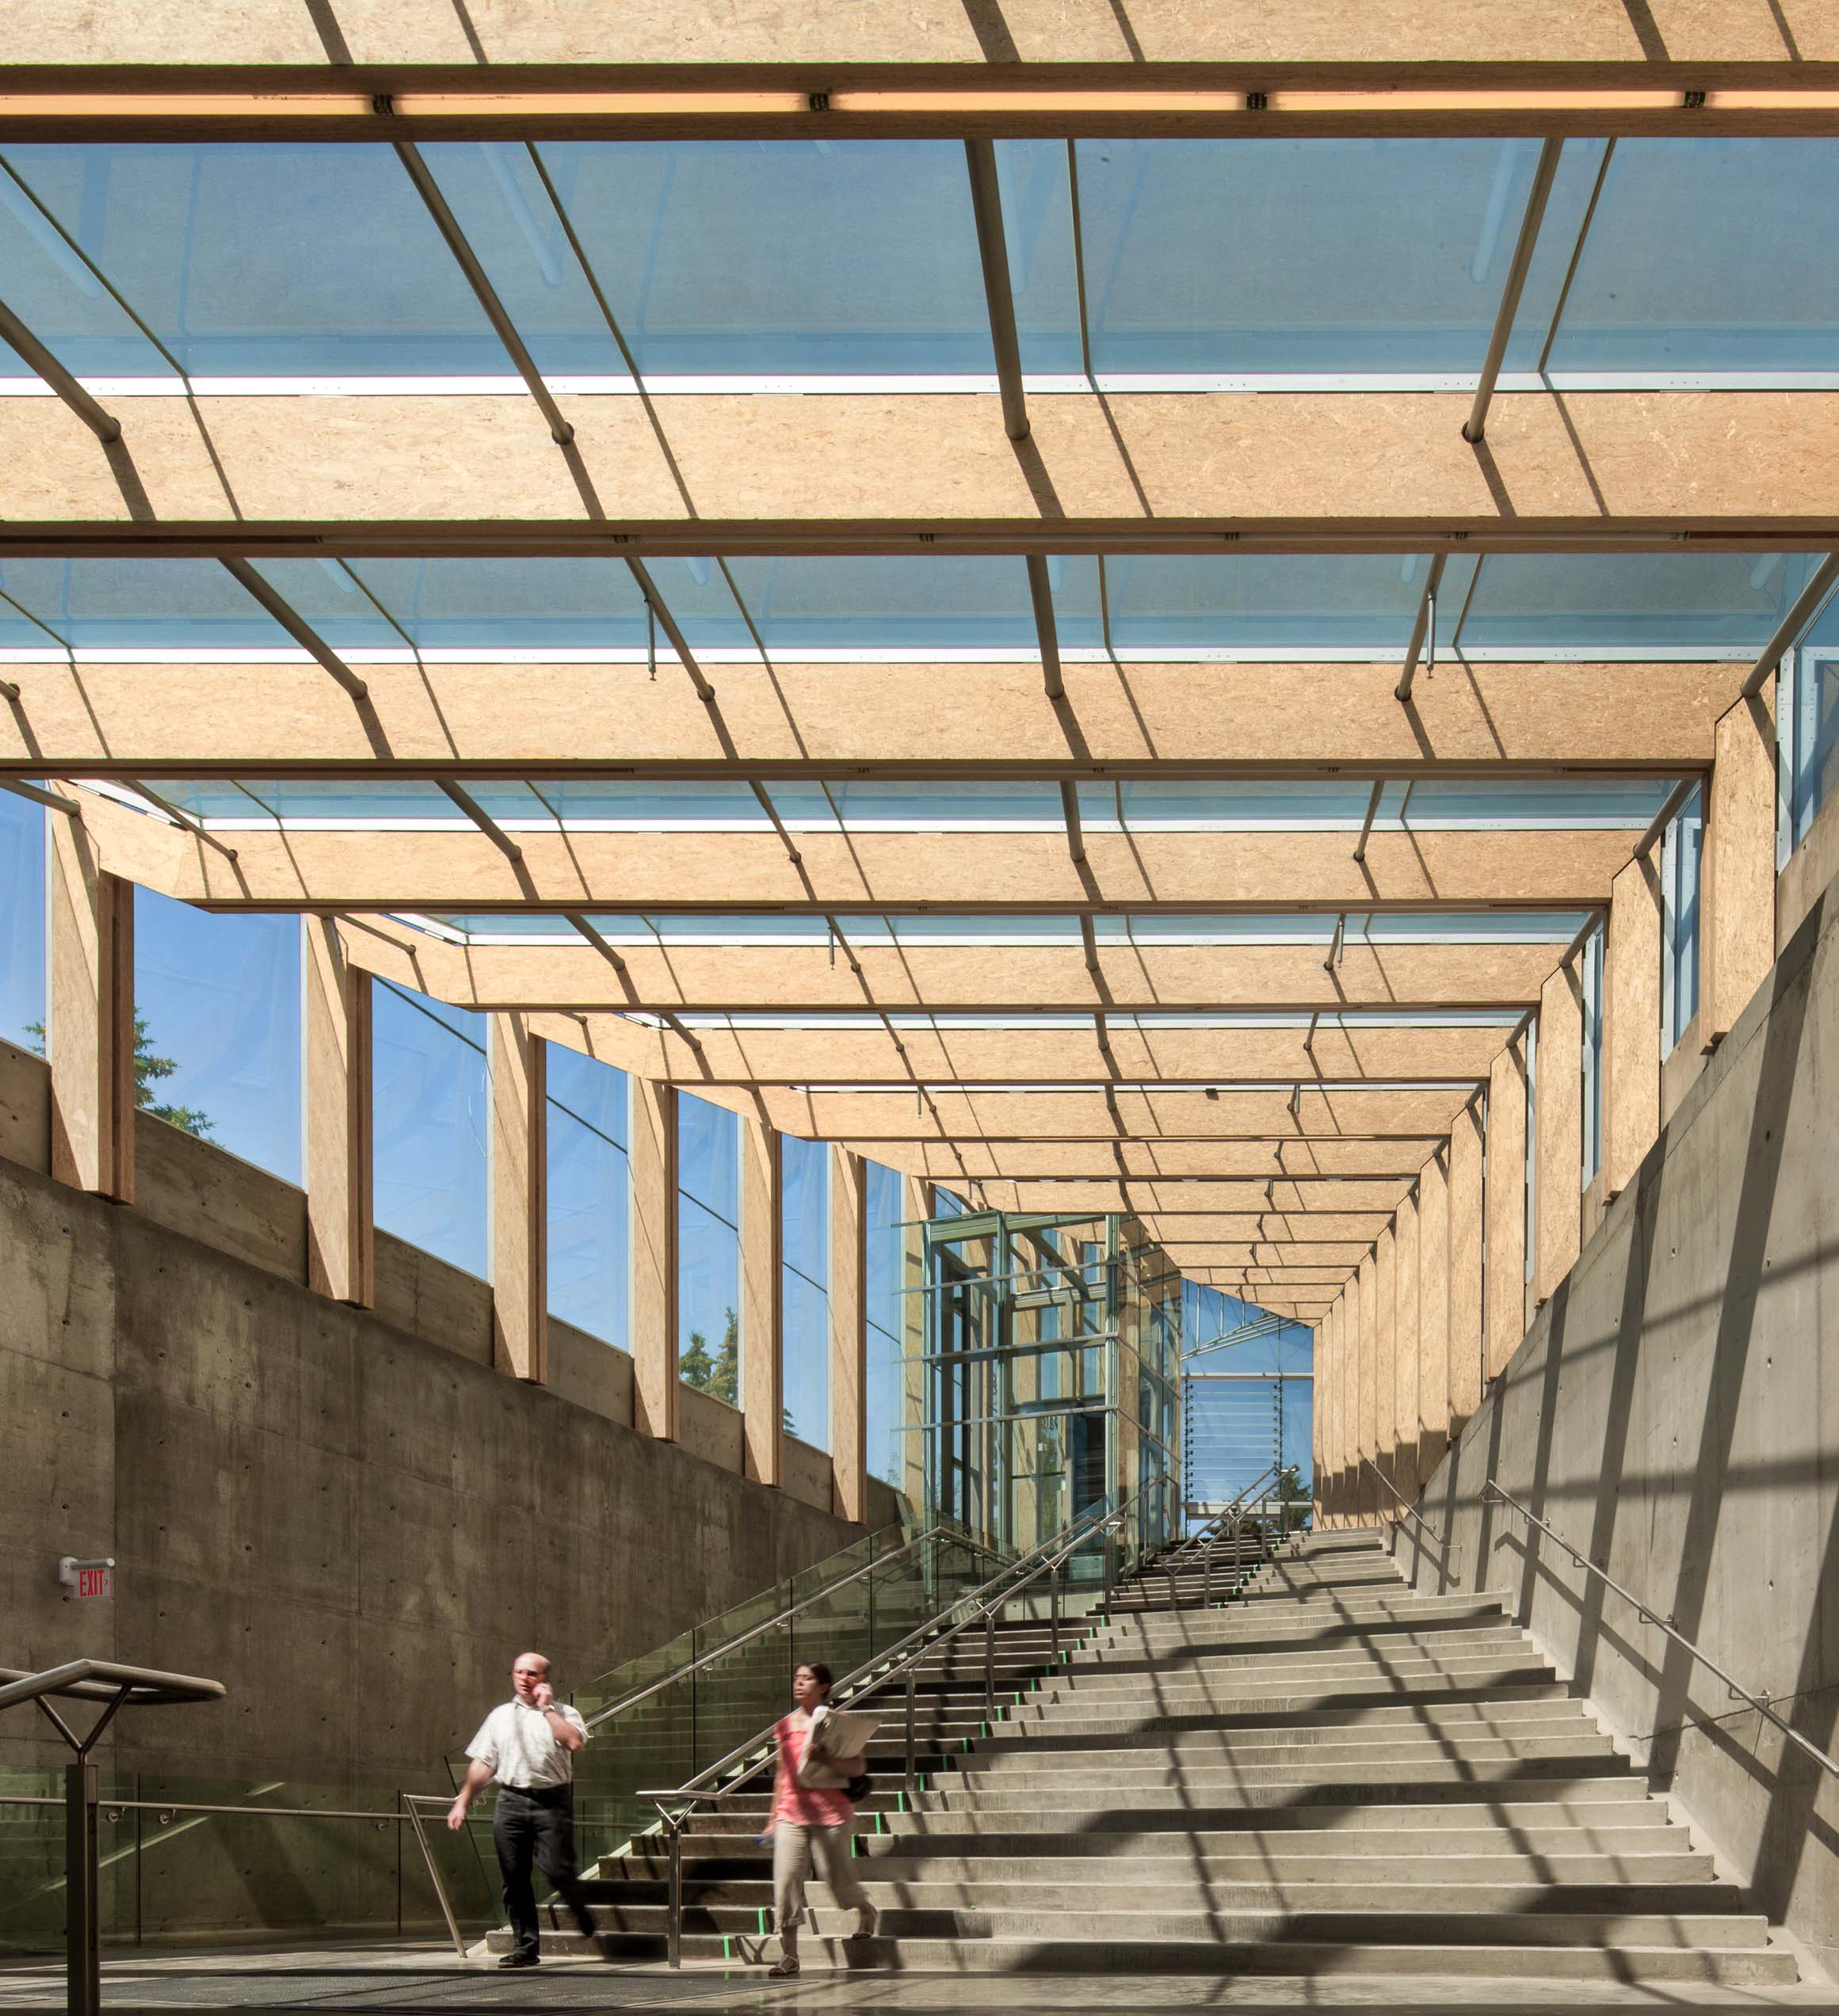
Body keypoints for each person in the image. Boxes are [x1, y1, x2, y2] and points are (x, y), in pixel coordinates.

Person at [448, 1651, 610, 1968]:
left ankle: (578, 1906)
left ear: (545, 1680)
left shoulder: (564, 1713)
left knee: (555, 1869)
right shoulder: (499, 1716)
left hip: (552, 1801)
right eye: (519, 1672)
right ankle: (526, 1948)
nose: (524, 1679)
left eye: (532, 1674)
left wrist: (546, 1709)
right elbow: (483, 1763)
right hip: (510, 1801)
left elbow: (575, 1743)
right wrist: (463, 1800)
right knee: (514, 1877)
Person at [765, 1661, 879, 1977]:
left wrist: (825, 1758)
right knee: (786, 1882)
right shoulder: (785, 1725)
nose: (799, 1683)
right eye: (797, 1678)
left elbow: (857, 1769)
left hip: (831, 1813)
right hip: (792, 1813)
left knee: (837, 1880)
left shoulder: (837, 1722)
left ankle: (866, 1910)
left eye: (807, 1679)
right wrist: (772, 1817)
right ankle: (790, 1955)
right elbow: (781, 1774)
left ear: (824, 1687)